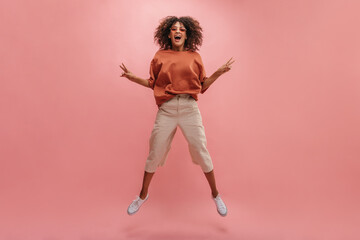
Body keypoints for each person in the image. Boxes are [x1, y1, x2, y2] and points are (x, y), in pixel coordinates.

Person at [119, 16, 234, 217]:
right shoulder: (159, 55)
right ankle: (142, 196)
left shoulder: (195, 56)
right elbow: (152, 83)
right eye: (173, 29)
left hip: (189, 108)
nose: (177, 31)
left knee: (201, 149)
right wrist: (132, 77)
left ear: (187, 34)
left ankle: (215, 195)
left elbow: (203, 84)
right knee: (155, 151)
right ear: (168, 34)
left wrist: (219, 73)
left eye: (181, 28)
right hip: (167, 109)